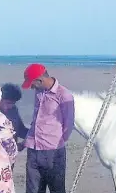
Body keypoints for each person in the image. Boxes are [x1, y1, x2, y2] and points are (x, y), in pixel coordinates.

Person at [21, 63, 75, 193]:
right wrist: (26, 141)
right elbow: (36, 120)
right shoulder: (39, 92)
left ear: (40, 80)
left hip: (53, 151)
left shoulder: (64, 95)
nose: (31, 87)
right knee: (33, 190)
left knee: (56, 189)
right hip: (33, 149)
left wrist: (54, 140)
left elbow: (69, 124)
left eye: (32, 83)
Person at [0, 83, 30, 148]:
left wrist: (35, 136)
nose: (10, 106)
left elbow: (20, 129)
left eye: (13, 103)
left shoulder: (13, 110)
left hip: (9, 153)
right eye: (8, 103)